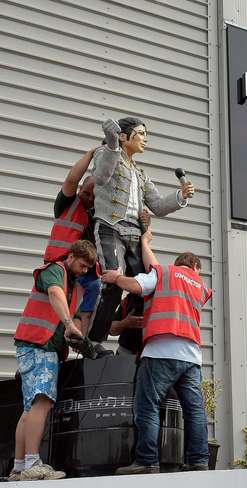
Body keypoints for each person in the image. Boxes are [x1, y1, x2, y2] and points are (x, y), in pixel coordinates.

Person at [102, 228, 212, 474]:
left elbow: (138, 285)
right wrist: (145, 242)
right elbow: (160, 270)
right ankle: (198, 461)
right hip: (191, 357)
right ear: (194, 265)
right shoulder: (200, 286)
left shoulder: (164, 273)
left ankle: (147, 461)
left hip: (161, 351)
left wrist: (116, 278)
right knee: (194, 410)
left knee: (148, 406)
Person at [88, 117, 195, 344]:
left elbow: (156, 205)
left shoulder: (140, 173)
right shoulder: (106, 153)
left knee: (147, 285)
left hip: (134, 233)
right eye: (141, 133)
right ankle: (93, 341)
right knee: (113, 283)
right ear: (124, 136)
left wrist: (180, 196)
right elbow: (100, 176)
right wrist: (112, 145)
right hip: (110, 227)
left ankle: (138, 339)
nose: (145, 139)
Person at [8, 239, 97, 481]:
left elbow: (74, 318)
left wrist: (79, 336)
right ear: (70, 257)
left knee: (29, 408)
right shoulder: (55, 271)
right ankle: (33, 462)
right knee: (43, 401)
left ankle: (19, 467)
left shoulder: (75, 286)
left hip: (36, 345)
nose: (85, 271)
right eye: (82, 265)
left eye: (89, 268)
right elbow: (55, 292)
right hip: (39, 345)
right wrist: (69, 324)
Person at [45, 149, 101, 332]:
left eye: (94, 197)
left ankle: (82, 338)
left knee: (95, 288)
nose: (89, 200)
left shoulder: (96, 215)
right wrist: (92, 154)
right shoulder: (67, 204)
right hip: (61, 267)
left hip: (82, 274)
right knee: (57, 311)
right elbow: (71, 179)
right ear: (80, 190)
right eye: (86, 194)